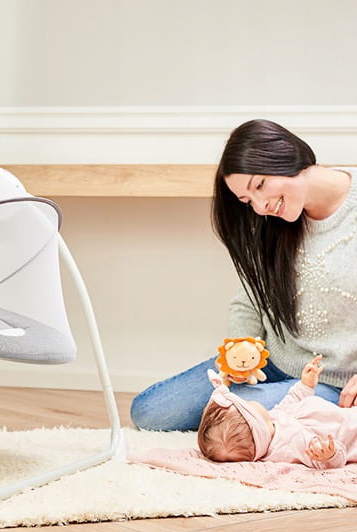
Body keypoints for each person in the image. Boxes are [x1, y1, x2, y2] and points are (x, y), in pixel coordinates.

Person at [130, 118, 357, 431]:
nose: (261, 206)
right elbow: (250, 300)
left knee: (231, 422)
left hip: (333, 383)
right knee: (149, 412)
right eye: (247, 201)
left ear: (286, 154)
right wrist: (241, 351)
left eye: (259, 185)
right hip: (271, 365)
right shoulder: (273, 222)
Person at [198, 356, 353, 469]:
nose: (249, 401)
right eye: (246, 404)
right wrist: (329, 456)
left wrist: (305, 384)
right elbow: (329, 462)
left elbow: (292, 400)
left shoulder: (271, 421)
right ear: (256, 422)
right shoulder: (292, 444)